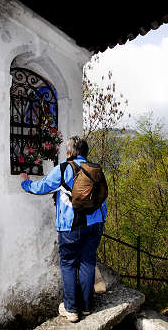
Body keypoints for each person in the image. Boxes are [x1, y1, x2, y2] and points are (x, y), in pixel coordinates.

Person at [19, 136, 107, 322]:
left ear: (69, 152)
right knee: (87, 263)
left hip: (71, 227)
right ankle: (86, 307)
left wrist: (25, 182)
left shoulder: (64, 168)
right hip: (96, 224)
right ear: (85, 152)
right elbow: (102, 198)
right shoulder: (96, 170)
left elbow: (41, 187)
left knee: (68, 265)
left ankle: (71, 309)